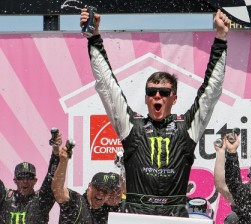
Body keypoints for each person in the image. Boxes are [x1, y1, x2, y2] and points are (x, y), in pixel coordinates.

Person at [80, 7, 229, 217]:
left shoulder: (186, 127)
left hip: (174, 215)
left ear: (174, 98)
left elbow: (211, 91)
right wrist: (94, 38)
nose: (157, 96)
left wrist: (221, 38)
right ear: (146, 98)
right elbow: (107, 87)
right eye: (152, 92)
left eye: (164, 92)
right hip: (136, 215)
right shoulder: (132, 125)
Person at [0, 131, 61, 223]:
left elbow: (51, 177)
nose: (25, 181)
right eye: (21, 177)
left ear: (35, 181)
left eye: (29, 177)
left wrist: (55, 152)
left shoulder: (41, 200)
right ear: (15, 180)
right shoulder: (5, 197)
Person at [52, 145, 124, 223]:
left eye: (105, 191)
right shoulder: (77, 201)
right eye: (98, 188)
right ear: (89, 186)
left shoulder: (106, 211)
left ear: (108, 195)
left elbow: (125, 188)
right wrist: (63, 161)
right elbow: (58, 190)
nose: (100, 193)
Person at [214, 136, 251, 223]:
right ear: (249, 179)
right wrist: (220, 153)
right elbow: (221, 186)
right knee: (232, 218)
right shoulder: (246, 196)